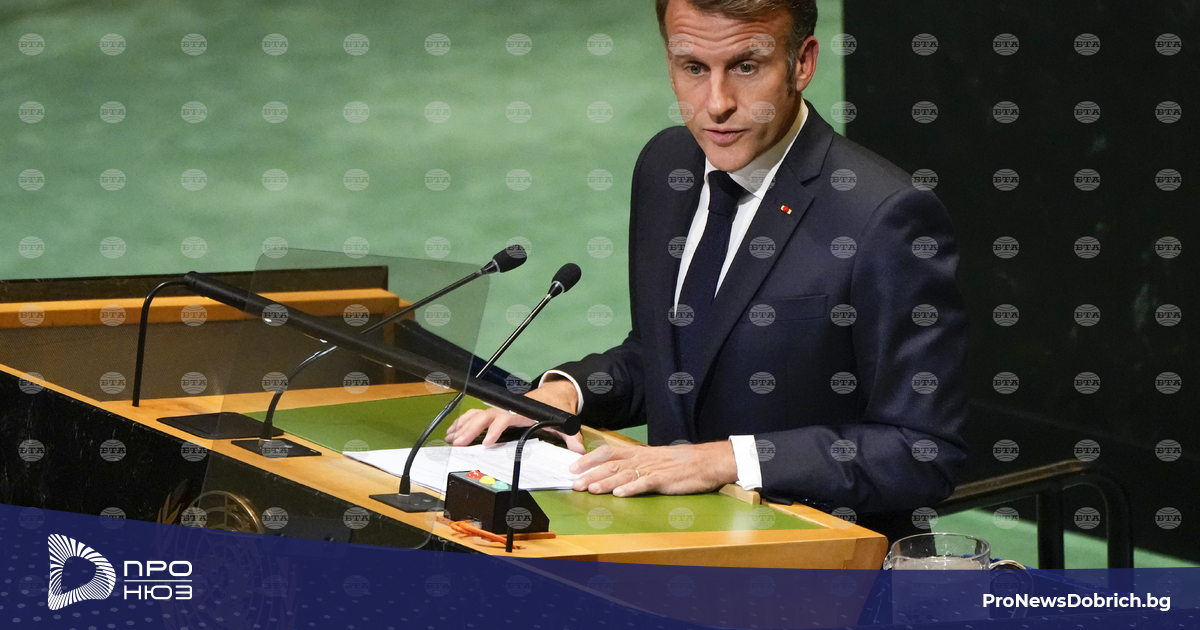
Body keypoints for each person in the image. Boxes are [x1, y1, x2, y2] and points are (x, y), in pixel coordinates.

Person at [447, 0, 968, 518]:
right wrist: (569, 394)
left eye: (746, 67)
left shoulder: (882, 216)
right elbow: (670, 358)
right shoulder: (667, 165)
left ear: (802, 63)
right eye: (693, 68)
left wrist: (726, 461)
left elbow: (922, 451)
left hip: (810, 554)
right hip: (665, 541)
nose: (716, 104)